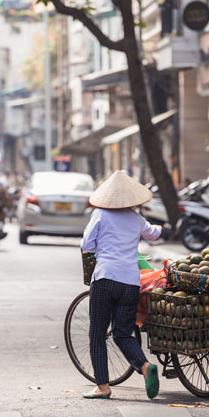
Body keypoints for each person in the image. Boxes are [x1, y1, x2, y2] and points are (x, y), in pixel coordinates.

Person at [80, 170, 162, 400]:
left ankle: (103, 387)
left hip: (105, 278)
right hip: (130, 283)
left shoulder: (100, 214)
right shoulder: (136, 219)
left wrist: (102, 249)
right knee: (123, 332)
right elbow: (154, 234)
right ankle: (145, 366)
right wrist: (161, 229)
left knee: (97, 334)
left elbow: (86, 243)